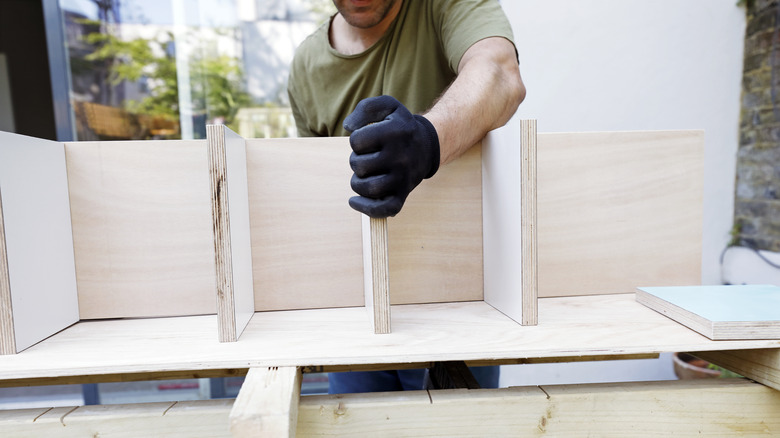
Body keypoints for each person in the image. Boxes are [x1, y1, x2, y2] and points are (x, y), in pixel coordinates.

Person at [287, 0, 525, 393]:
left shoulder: (444, 7)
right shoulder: (307, 64)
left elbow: (500, 73)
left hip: (460, 308)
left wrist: (427, 141)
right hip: (357, 311)